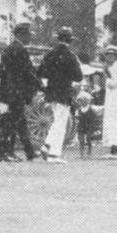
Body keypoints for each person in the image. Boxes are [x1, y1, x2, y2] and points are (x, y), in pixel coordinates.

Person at [35, 26, 82, 164]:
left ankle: (49, 149)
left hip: (51, 92)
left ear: (58, 39)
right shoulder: (71, 56)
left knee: (57, 120)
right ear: (70, 41)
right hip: (64, 92)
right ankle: (52, 151)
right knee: (60, 123)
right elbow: (78, 77)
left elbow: (40, 72)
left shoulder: (50, 55)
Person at [0, 22, 39, 162]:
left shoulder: (8, 49)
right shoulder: (20, 50)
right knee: (11, 123)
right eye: (28, 35)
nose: (30, 38)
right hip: (15, 94)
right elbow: (27, 72)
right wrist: (39, 84)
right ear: (20, 35)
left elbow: (2, 72)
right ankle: (5, 152)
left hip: (6, 93)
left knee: (17, 122)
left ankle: (28, 152)